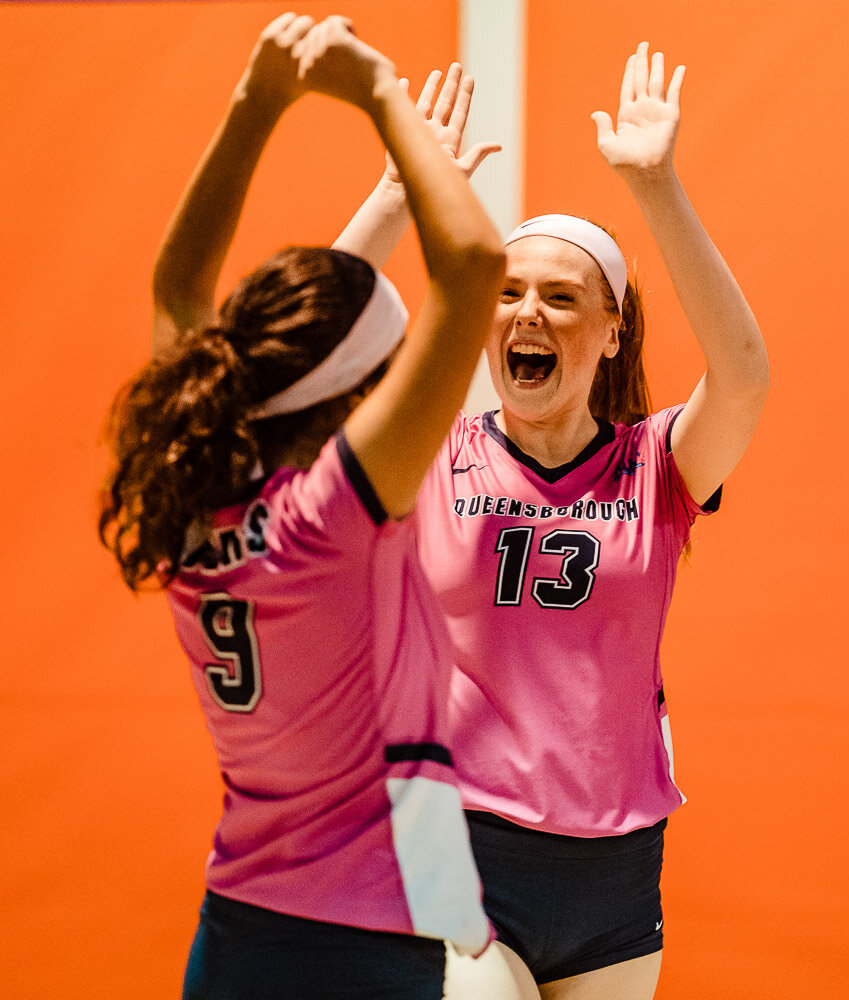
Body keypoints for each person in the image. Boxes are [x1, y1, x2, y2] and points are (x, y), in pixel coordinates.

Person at [335, 41, 769, 1000]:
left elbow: (744, 375)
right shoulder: (434, 448)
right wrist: (399, 195)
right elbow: (310, 341)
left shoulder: (654, 464)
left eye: (560, 297)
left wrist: (657, 188)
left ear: (611, 330)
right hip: (458, 842)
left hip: (614, 874)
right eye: (507, 291)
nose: (526, 311)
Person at [97, 14, 506, 999]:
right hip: (355, 948)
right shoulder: (335, 518)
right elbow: (476, 267)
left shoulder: (196, 490)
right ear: (358, 406)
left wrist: (258, 101)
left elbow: (186, 286)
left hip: (238, 925)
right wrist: (378, 94)